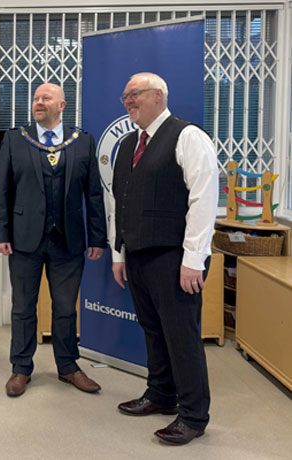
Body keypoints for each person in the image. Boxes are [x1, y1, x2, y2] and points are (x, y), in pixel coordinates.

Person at [107, 72, 219, 445]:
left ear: (158, 95)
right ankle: (160, 394)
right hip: (136, 256)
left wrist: (194, 259)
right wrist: (118, 252)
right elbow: (119, 202)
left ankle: (193, 415)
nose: (128, 101)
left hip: (173, 258)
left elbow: (204, 199)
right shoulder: (127, 145)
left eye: (134, 94)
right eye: (125, 96)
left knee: (181, 336)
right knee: (153, 331)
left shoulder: (188, 136)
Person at [0, 83, 107, 397]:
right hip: (24, 240)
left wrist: (98, 237)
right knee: (23, 307)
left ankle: (68, 366)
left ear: (62, 105)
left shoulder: (82, 142)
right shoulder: (15, 139)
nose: (39, 103)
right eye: (36, 99)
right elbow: (0, 191)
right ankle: (21, 368)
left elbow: (93, 195)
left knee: (66, 307)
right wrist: (0, 233)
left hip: (68, 242)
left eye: (46, 98)